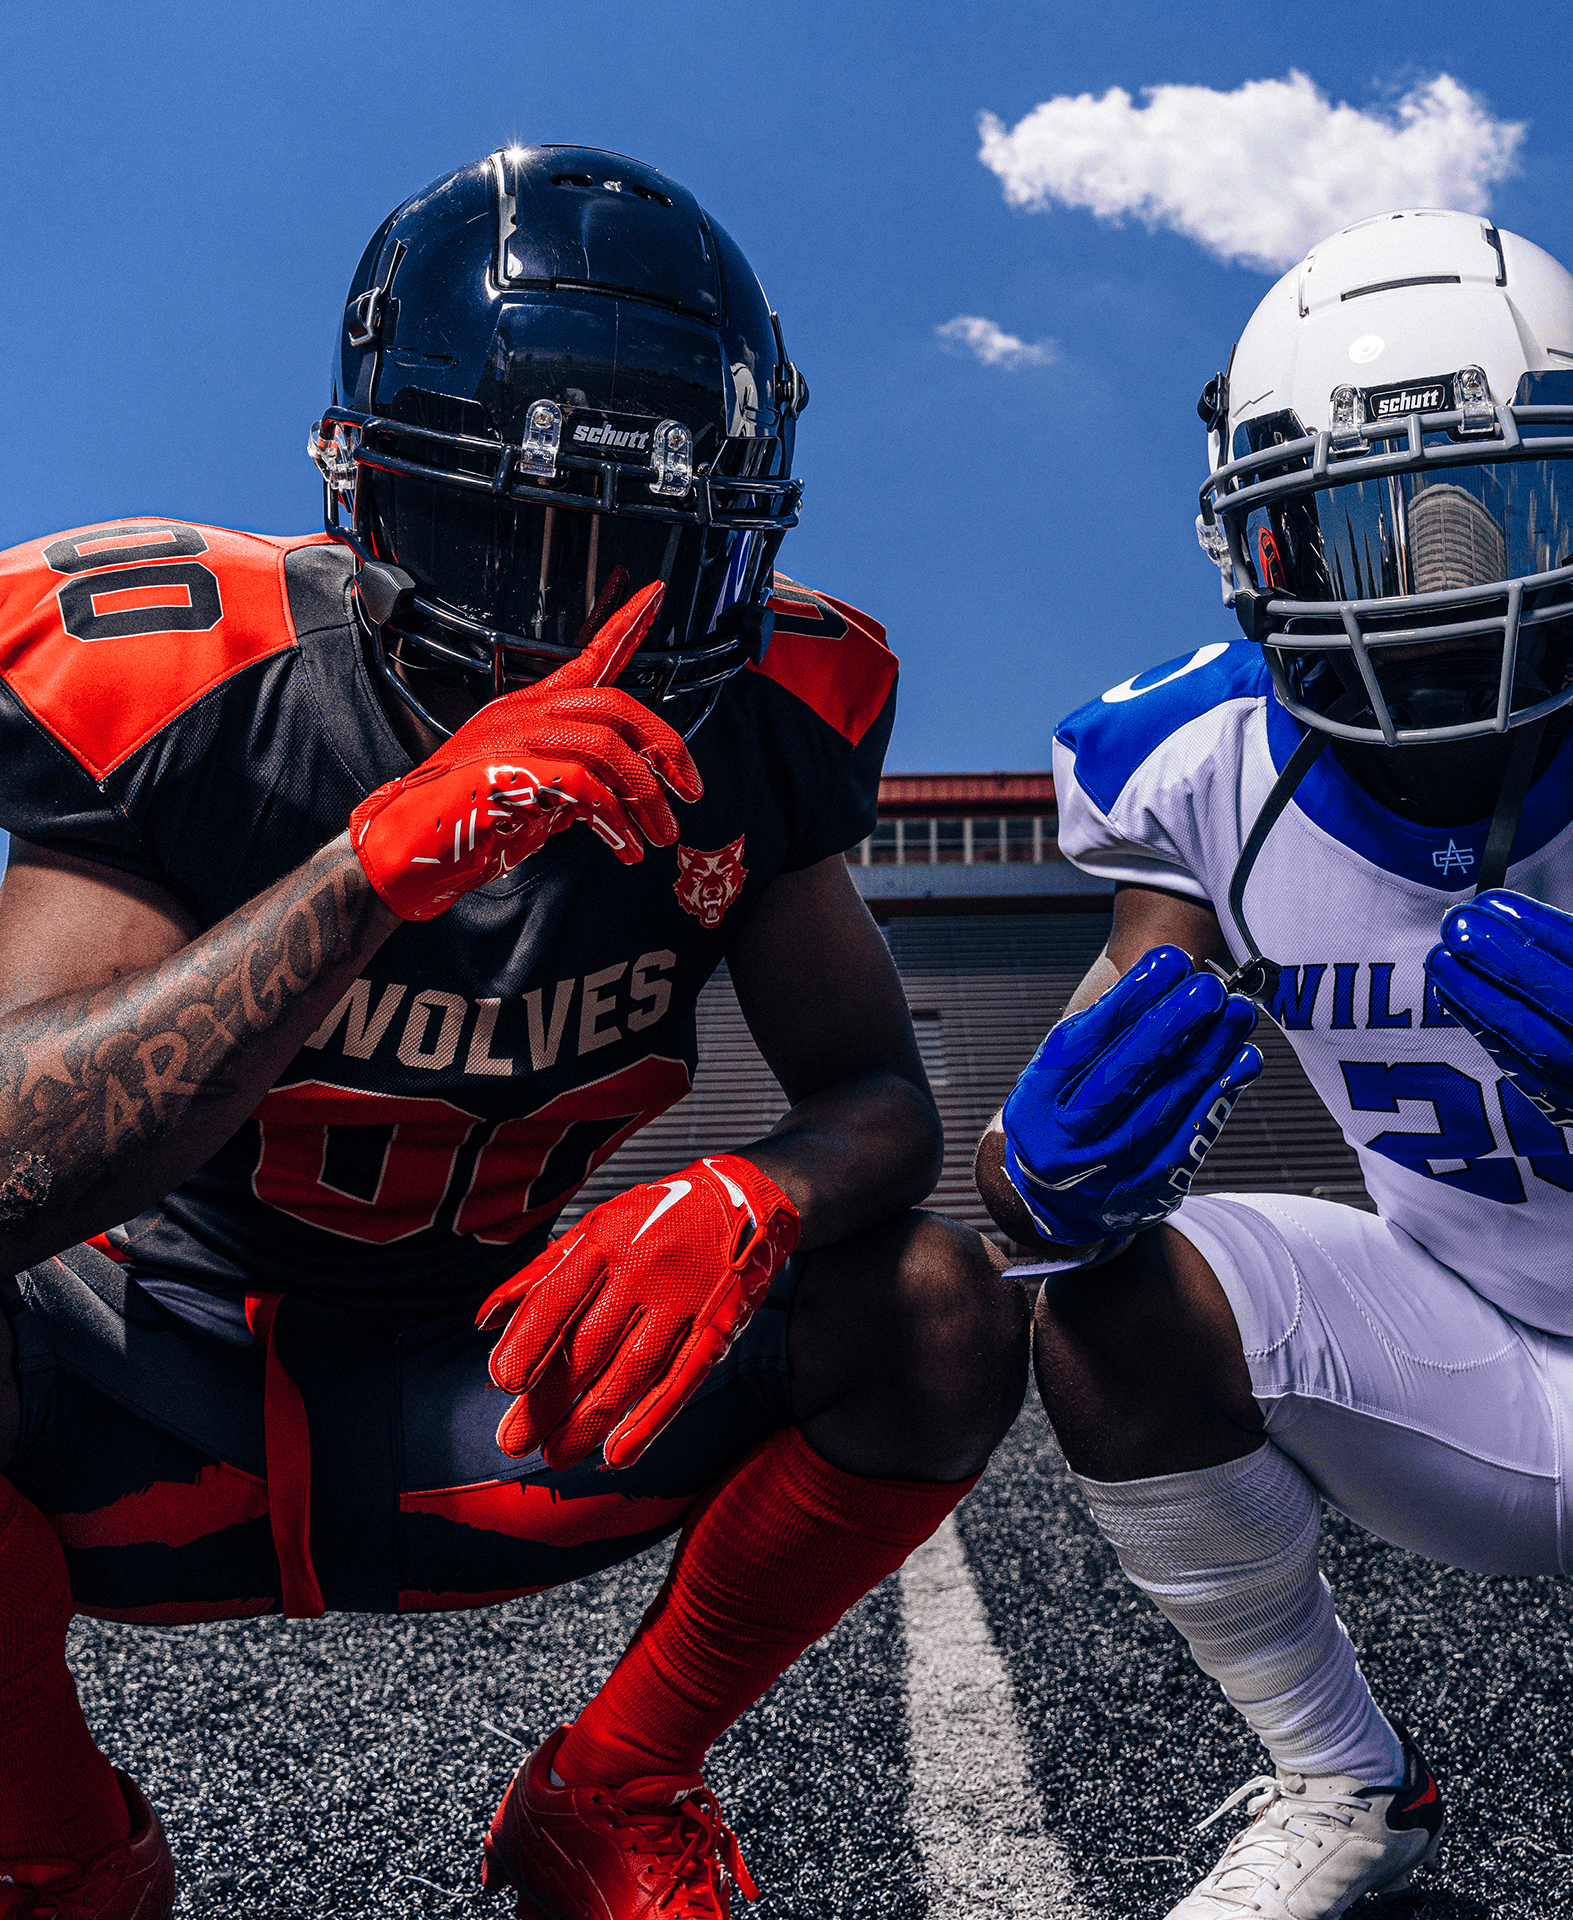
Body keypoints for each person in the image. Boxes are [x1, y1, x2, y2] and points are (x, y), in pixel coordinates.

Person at [0, 144, 1028, 1920]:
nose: (592, 610)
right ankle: (54, 1843)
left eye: (653, 539)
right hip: (161, 1372)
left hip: (501, 1372)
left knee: (934, 1310)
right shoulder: (201, 679)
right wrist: (363, 872)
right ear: (377, 491)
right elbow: (14, 1154)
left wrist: (757, 1190)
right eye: (524, 528)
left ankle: (610, 1788)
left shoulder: (768, 715)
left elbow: (876, 1095)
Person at [976, 205, 1573, 1918]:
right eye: (1354, 535)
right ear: (1254, 553)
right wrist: (1040, 1175)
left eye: (1508, 509)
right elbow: (1042, 1185)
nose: (1442, 586)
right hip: (1458, 1363)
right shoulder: (1191, 767)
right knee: (1110, 1298)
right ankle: (1344, 1783)